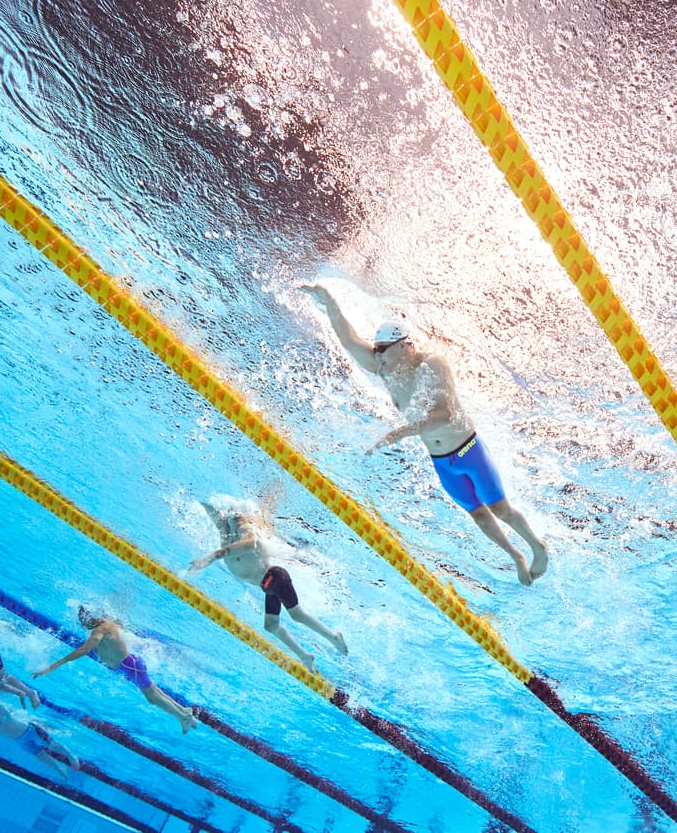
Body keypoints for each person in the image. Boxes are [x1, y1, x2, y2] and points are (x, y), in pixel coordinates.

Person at [301, 284, 549, 585]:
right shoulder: (387, 369)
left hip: (468, 450)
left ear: (405, 345)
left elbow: (443, 414)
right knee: (479, 516)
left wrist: (399, 433)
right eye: (376, 350)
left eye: (383, 350)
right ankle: (516, 558)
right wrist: (329, 302)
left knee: (500, 509)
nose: (377, 356)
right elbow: (349, 340)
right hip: (441, 460)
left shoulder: (431, 365)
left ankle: (537, 546)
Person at [190, 500, 347, 671]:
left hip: (275, 577)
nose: (230, 516)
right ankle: (304, 656)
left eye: (234, 514)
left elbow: (252, 542)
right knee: (270, 626)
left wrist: (212, 557)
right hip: (267, 586)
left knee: (297, 614)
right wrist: (199, 499)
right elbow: (215, 516)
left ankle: (334, 638)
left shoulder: (244, 527)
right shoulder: (227, 534)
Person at [33, 607, 197, 734]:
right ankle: (184, 711)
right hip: (132, 664)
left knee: (152, 698)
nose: (83, 625)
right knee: (155, 691)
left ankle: (183, 717)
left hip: (130, 665)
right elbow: (118, 623)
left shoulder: (99, 630)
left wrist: (51, 667)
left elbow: (83, 650)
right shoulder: (107, 624)